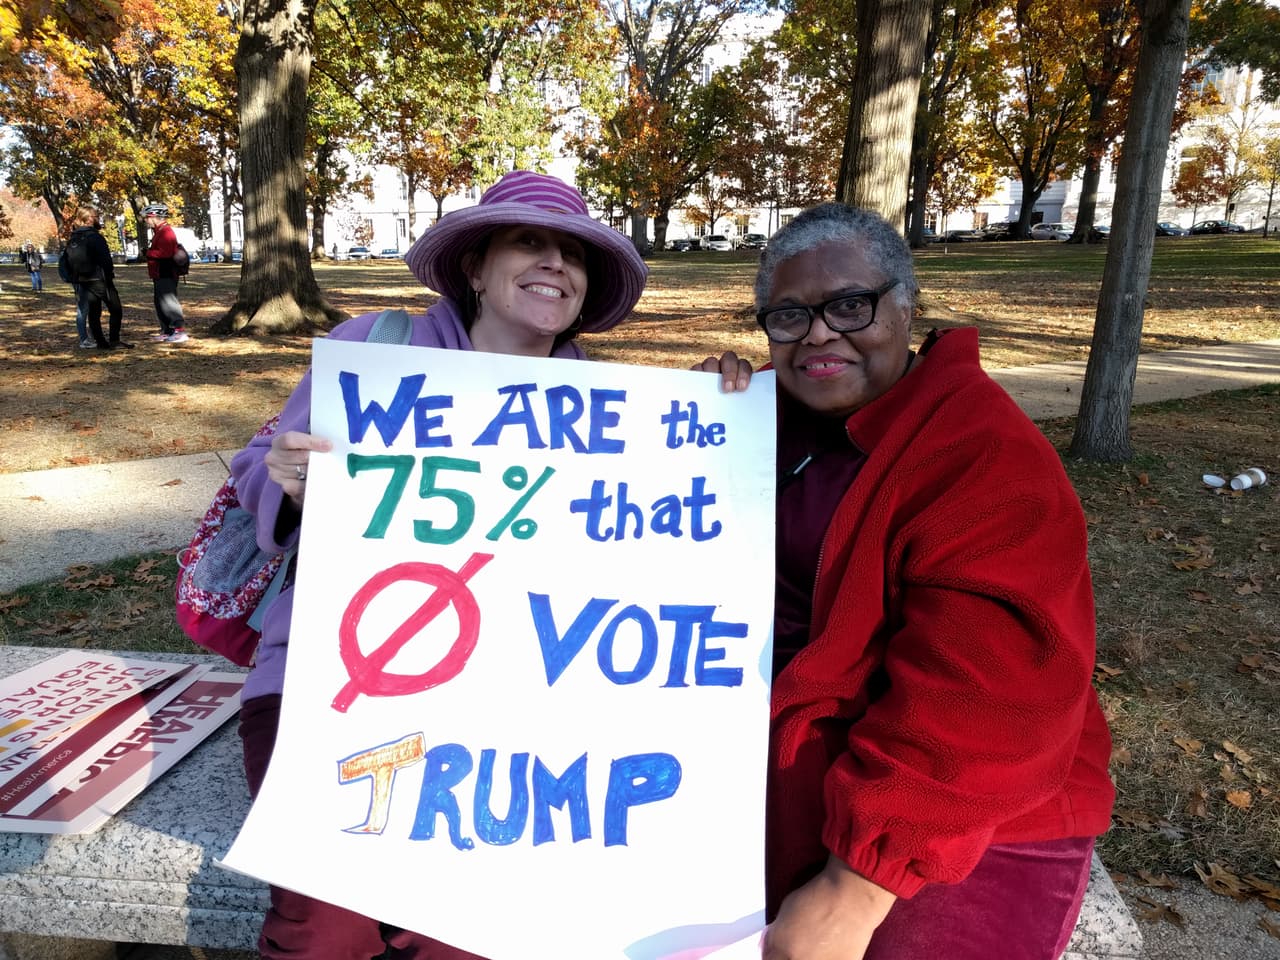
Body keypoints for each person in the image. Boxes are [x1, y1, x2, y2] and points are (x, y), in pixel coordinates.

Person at [231, 170, 750, 959]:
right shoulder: (376, 350)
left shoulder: (615, 412)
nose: (555, 265)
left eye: (574, 255)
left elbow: (653, 553)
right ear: (476, 264)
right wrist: (291, 482)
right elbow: (254, 463)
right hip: (328, 686)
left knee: (467, 932)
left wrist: (721, 417)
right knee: (322, 931)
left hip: (514, 706)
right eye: (529, 242)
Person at [727, 203, 1115, 959]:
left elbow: (990, 694)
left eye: (849, 306)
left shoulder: (985, 457)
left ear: (908, 306)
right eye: (787, 315)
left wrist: (856, 887)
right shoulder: (770, 420)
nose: (817, 334)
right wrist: (699, 416)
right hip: (788, 774)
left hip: (955, 812)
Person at [66, 209, 130, 351]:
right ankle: (114, 340)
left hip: (83, 279)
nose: (98, 219)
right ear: (89, 219)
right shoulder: (94, 237)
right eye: (96, 216)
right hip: (99, 279)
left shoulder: (74, 237)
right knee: (115, 309)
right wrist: (108, 273)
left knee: (94, 312)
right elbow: (106, 260)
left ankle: (100, 342)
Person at [142, 203, 187, 342]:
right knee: (160, 302)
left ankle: (179, 330)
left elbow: (165, 253)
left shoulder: (166, 232)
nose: (145, 221)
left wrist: (149, 253)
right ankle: (167, 330)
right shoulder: (158, 232)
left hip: (166, 272)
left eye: (147, 218)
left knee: (169, 302)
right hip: (158, 273)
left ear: (154, 217)